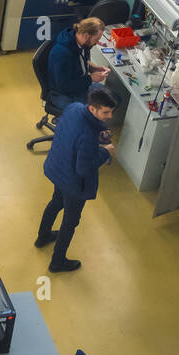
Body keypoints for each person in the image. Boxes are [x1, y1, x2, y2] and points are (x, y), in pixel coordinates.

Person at [35, 87, 118, 273]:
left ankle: (43, 237)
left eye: (111, 111)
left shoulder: (74, 108)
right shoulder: (87, 136)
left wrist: (99, 131)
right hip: (73, 183)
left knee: (55, 203)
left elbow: (72, 133)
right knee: (70, 221)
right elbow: (84, 169)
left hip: (59, 169)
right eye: (106, 112)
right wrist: (105, 152)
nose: (110, 116)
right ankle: (57, 262)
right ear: (93, 109)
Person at [47, 17, 109, 109]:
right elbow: (63, 87)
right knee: (98, 110)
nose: (97, 43)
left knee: (111, 99)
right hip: (61, 94)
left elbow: (80, 60)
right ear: (86, 36)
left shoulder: (82, 43)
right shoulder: (62, 54)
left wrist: (93, 68)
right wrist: (90, 79)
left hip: (78, 84)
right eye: (96, 39)